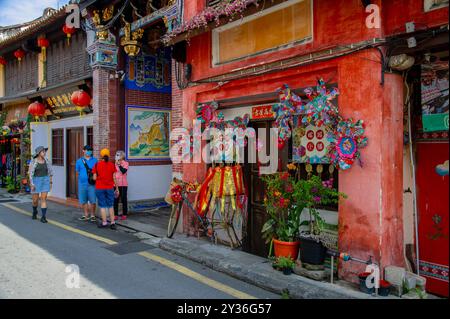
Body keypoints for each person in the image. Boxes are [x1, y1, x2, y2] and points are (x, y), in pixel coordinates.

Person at [93, 148, 119, 230]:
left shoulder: (97, 165)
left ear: (101, 155)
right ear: (108, 155)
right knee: (111, 206)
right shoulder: (112, 165)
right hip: (109, 188)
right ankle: (112, 223)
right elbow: (114, 178)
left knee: (102, 206)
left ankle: (104, 222)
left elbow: (94, 178)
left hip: (99, 188)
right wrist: (117, 188)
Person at [28, 146, 53, 223]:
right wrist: (32, 184)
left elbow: (50, 173)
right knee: (35, 200)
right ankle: (35, 211)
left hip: (45, 180)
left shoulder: (47, 161)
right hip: (36, 181)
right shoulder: (33, 162)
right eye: (43, 151)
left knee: (43, 199)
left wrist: (50, 182)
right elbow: (30, 174)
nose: (44, 153)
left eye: (45, 151)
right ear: (38, 153)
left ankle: (43, 217)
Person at [75, 145, 98, 222]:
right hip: (82, 184)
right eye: (87, 150)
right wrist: (81, 179)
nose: (89, 152)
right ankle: (86, 215)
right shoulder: (79, 161)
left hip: (92, 184)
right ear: (83, 151)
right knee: (83, 200)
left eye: (90, 150)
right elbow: (77, 172)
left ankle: (92, 215)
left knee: (93, 200)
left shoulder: (95, 160)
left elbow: (97, 172)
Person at [113, 150, 129, 221]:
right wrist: (116, 164)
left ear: (122, 156)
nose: (117, 156)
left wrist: (119, 164)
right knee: (115, 199)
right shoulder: (114, 164)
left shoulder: (126, 163)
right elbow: (113, 173)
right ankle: (115, 214)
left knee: (123, 199)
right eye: (116, 154)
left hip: (123, 184)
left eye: (119, 154)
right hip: (116, 184)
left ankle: (124, 214)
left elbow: (123, 171)